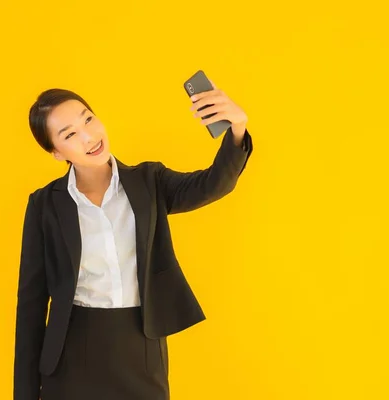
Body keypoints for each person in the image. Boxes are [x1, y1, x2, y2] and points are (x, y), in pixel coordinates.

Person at [14, 82, 253, 400]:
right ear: (56, 152)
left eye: (88, 119)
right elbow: (31, 305)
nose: (88, 136)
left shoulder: (149, 181)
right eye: (69, 134)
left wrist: (237, 128)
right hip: (70, 354)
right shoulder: (44, 205)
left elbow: (212, 185)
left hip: (140, 348)